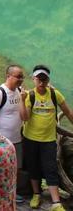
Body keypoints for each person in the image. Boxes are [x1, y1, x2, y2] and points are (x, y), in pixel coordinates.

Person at [20, 65, 73, 211]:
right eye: (39, 79)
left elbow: (68, 112)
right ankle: (36, 194)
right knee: (33, 166)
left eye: (44, 79)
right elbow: (24, 117)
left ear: (48, 79)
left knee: (51, 168)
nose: (42, 82)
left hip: (49, 139)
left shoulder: (55, 94)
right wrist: (21, 100)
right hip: (30, 138)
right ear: (34, 79)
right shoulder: (30, 95)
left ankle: (56, 203)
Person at [0, 64, 28, 202]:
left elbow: (24, 116)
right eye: (18, 76)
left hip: (16, 138)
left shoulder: (20, 92)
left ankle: (11, 193)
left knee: (15, 168)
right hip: (1, 140)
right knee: (0, 168)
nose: (21, 79)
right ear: (8, 76)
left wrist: (23, 99)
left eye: (22, 77)